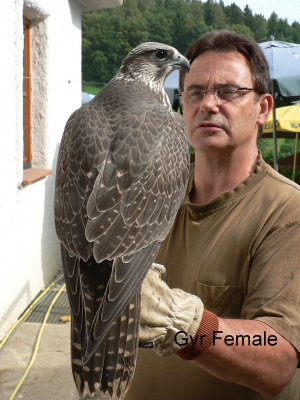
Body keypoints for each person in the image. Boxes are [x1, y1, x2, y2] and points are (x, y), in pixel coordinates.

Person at [125, 30, 300, 399]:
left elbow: (278, 358)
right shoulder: (144, 193)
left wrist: (182, 322)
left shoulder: (288, 211)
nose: (208, 104)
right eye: (195, 92)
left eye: (229, 92)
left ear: (263, 109)